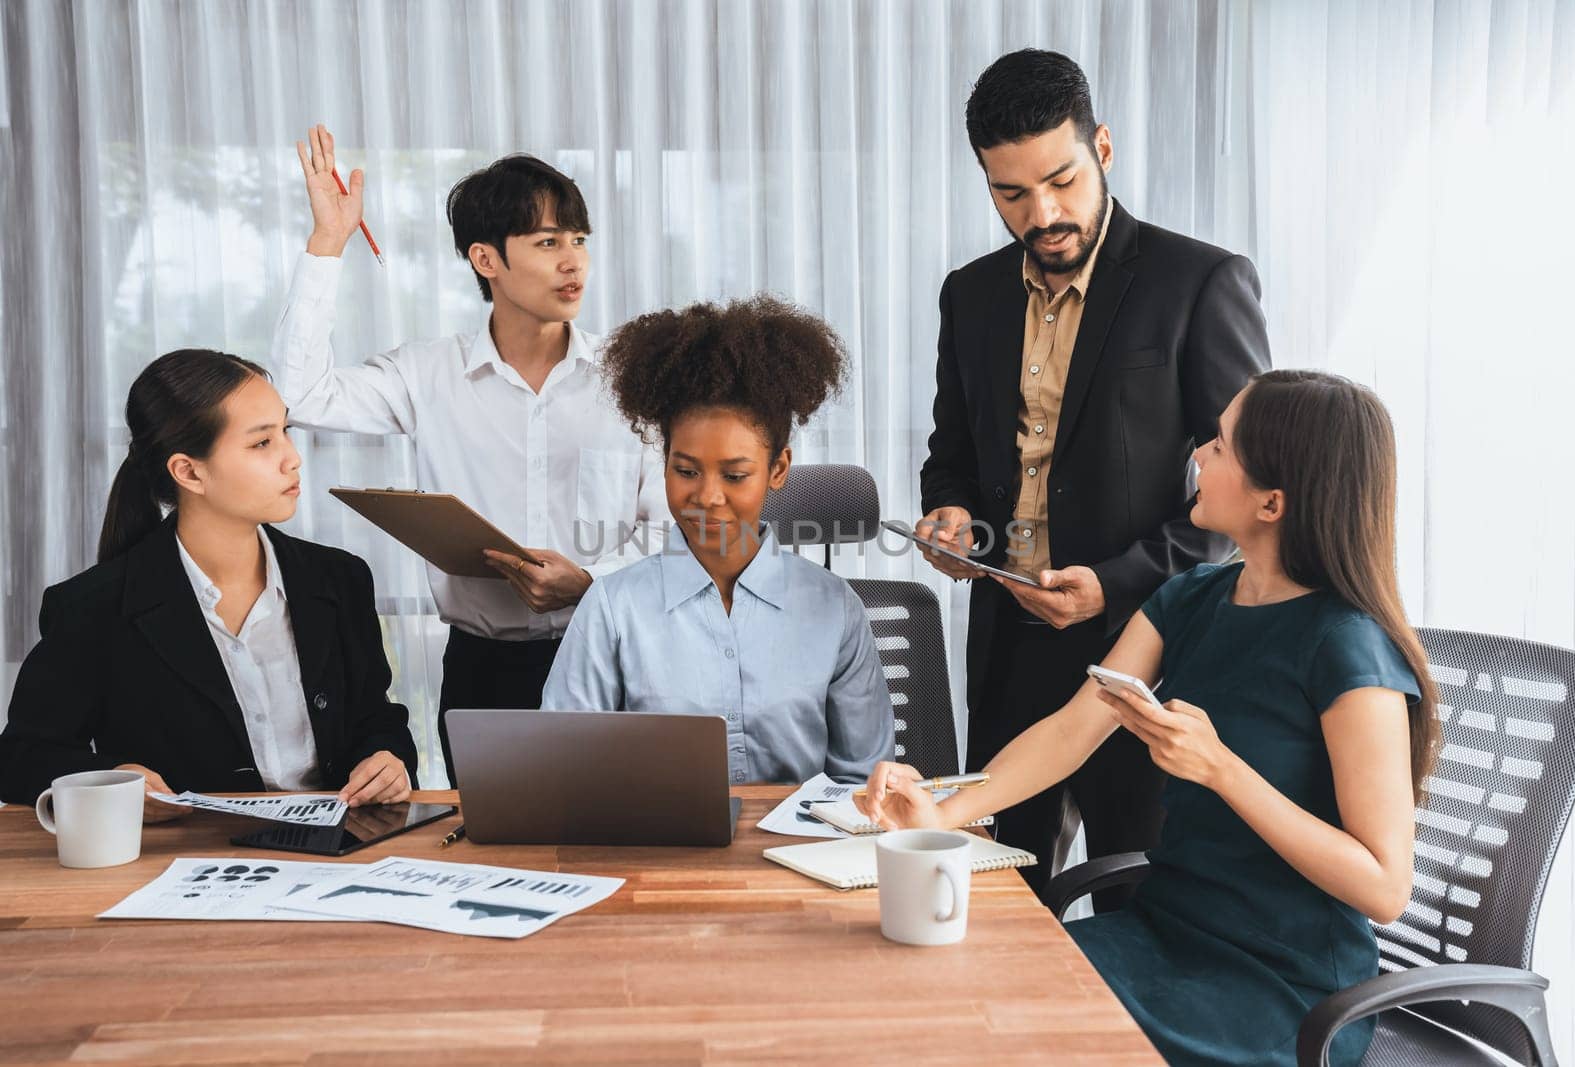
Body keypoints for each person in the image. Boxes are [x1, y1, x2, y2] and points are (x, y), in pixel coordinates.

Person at [863, 370, 1437, 1067]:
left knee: (1008, 1031)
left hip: (1281, 990)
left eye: (1221, 447)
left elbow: (1384, 885)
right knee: (962, 982)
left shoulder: (1350, 646)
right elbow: (1076, 728)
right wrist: (945, 813)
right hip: (1163, 934)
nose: (1198, 455)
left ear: (1273, 501)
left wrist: (1220, 767)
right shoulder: (1193, 594)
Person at [917, 49, 1271, 899]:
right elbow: (952, 453)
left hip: (1148, 647)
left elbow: (1247, 496)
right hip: (1007, 647)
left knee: (1135, 899)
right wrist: (950, 514)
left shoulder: (1201, 284)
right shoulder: (970, 295)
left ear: (1102, 149)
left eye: (1062, 180)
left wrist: (1111, 585)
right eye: (1011, 194)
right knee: (1000, 897)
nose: (1043, 214)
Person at [273, 126, 665, 785]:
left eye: (579, 240)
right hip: (484, 672)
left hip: (613, 656)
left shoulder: (634, 379)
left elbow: (671, 532)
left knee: (616, 852)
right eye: (547, 242)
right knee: (493, 855)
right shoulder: (427, 373)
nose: (573, 262)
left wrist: (591, 581)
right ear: (486, 259)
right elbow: (299, 394)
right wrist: (328, 244)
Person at [0, 349, 418, 817]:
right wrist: (115, 780)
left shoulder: (340, 579)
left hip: (338, 850)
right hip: (184, 862)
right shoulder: (92, 607)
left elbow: (377, 721)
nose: (293, 459)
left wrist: (388, 759)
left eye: (286, 432)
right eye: (262, 443)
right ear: (189, 471)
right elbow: (21, 759)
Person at [541, 297, 895, 784]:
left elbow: (864, 781)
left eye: (734, 475)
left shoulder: (835, 609)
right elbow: (565, 769)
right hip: (656, 852)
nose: (707, 497)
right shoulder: (611, 607)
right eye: (685, 471)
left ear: (778, 470)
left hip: (802, 852)